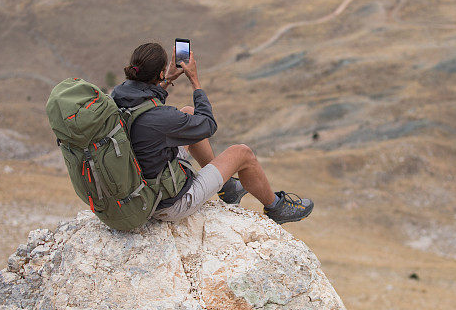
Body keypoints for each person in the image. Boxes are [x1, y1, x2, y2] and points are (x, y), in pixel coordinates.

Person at [110, 42, 313, 225]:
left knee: (187, 112)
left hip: (140, 186)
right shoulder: (161, 117)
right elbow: (207, 125)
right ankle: (277, 207)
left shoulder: (118, 97)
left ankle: (226, 187)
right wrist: (195, 82)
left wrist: (167, 79)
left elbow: (147, 113)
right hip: (167, 204)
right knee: (243, 153)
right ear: (160, 72)